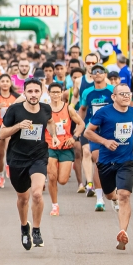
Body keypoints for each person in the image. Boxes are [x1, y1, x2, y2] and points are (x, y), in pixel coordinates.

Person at [84, 83, 133, 250]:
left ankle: (122, 233)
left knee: (124, 195)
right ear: (114, 97)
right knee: (111, 195)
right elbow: (88, 132)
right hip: (106, 161)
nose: (126, 96)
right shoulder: (104, 112)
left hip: (126, 161)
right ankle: (113, 198)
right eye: (122, 94)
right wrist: (105, 142)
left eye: (128, 94)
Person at [0, 78, 52, 250]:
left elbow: (50, 122)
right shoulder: (15, 110)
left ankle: (36, 229)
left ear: (42, 92)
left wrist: (54, 136)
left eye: (36, 91)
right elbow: (2, 133)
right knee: (23, 198)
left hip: (38, 156)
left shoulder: (46, 109)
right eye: (30, 91)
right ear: (24, 93)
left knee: (37, 194)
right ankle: (24, 227)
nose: (33, 95)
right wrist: (18, 126)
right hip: (17, 158)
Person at [77, 65, 116, 209]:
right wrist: (80, 126)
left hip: (112, 131)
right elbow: (82, 109)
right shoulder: (87, 92)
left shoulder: (112, 90)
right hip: (95, 131)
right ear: (91, 75)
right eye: (95, 72)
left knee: (115, 163)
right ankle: (99, 199)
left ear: (105, 74)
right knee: (98, 161)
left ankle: (115, 194)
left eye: (100, 71)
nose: (97, 73)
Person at [45, 81, 83, 216]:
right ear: (48, 93)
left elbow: (81, 124)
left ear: (62, 93)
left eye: (58, 92)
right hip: (49, 146)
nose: (55, 95)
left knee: (62, 180)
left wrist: (74, 137)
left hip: (66, 146)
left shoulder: (68, 109)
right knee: (52, 177)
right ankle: (54, 205)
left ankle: (64, 167)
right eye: (53, 92)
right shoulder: (44, 109)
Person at [0, 74, 19, 189]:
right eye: (3, 81)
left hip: (11, 127)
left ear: (10, 83)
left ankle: (8, 164)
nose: (5, 83)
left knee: (9, 147)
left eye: (7, 81)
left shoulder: (16, 97)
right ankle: (0, 175)